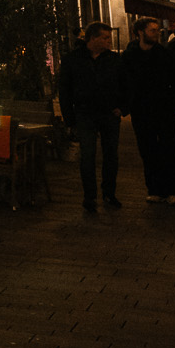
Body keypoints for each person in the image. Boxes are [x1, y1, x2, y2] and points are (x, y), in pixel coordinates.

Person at [58, 22, 127, 212]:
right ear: (93, 38)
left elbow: (126, 85)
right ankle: (89, 196)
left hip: (108, 113)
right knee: (87, 156)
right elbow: (65, 90)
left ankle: (109, 193)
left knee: (111, 155)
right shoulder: (73, 60)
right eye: (105, 38)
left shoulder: (114, 60)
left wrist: (122, 107)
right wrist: (70, 119)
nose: (108, 41)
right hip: (85, 113)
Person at [124, 18, 175, 203]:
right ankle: (155, 189)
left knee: (170, 148)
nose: (156, 34)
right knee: (148, 150)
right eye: (152, 30)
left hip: (164, 109)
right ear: (140, 32)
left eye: (157, 30)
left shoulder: (165, 55)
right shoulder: (129, 56)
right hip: (141, 111)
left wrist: (172, 101)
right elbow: (124, 82)